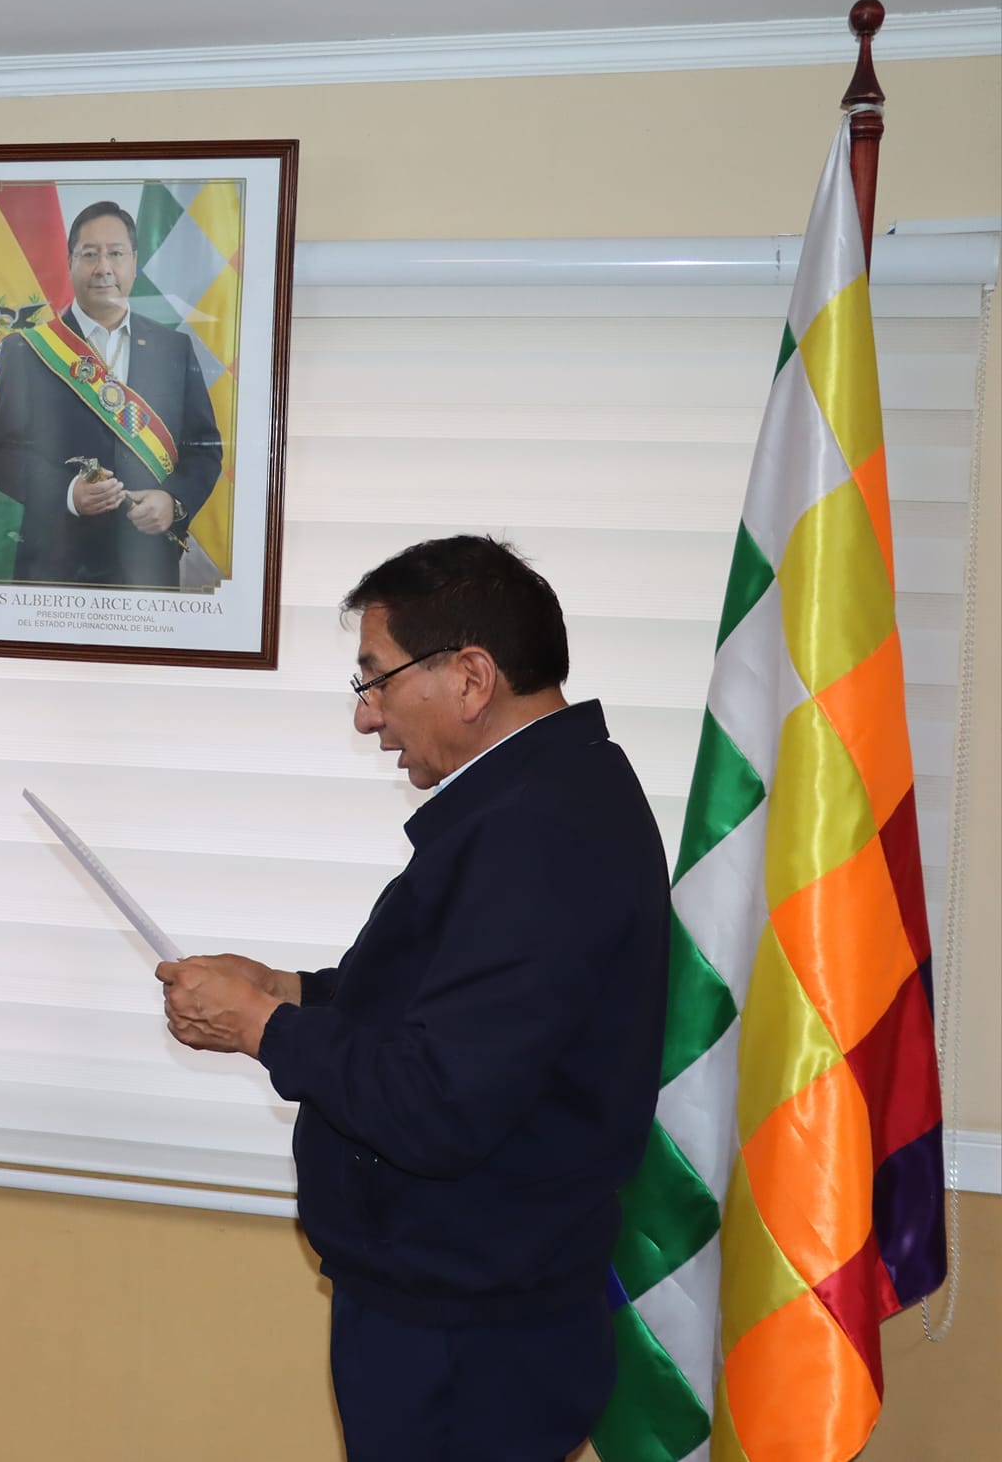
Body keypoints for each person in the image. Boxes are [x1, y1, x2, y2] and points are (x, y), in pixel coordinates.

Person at [155, 535, 669, 1461]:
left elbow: (440, 1100)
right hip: (462, 1311)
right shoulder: (543, 799)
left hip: (469, 1340)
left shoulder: (542, 835)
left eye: (377, 680)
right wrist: (292, 992)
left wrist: (264, 1027)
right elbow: (453, 1006)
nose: (368, 717)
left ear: (471, 677)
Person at [0, 199, 223, 588]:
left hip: (147, 567)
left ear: (134, 262)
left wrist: (173, 501)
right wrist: (68, 493)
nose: (103, 267)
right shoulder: (26, 350)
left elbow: (204, 450)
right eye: (90, 254)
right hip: (54, 568)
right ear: (70, 262)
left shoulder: (173, 349)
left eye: (116, 253)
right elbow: (2, 456)